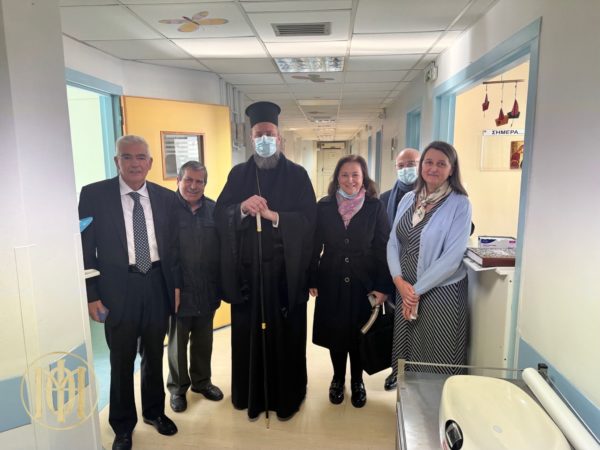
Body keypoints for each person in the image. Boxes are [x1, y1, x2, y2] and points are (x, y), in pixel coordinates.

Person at [214, 101, 317, 421]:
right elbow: (219, 215)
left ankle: (287, 398)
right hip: (249, 276)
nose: (264, 140)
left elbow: (309, 222)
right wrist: (242, 208)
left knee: (286, 337)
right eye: (259, 135)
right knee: (249, 337)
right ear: (250, 138)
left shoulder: (298, 175)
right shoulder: (238, 175)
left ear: (280, 137)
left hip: (285, 275)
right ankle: (251, 396)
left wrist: (275, 216)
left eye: (269, 134)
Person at [79, 135, 178, 450]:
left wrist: (176, 287)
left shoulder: (166, 197)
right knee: (121, 359)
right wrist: (91, 295)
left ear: (150, 162)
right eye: (127, 157)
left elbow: (174, 248)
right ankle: (122, 425)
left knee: (154, 353)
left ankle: (154, 412)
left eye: (140, 157)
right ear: (117, 161)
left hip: (158, 283)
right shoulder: (94, 195)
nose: (134, 163)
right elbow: (85, 251)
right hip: (117, 289)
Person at [309, 155, 391, 408]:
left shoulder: (375, 207)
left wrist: (382, 286)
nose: (350, 180)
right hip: (331, 279)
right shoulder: (324, 206)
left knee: (359, 332)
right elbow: (314, 245)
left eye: (355, 174)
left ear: (363, 178)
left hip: (364, 281)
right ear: (337, 178)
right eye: (344, 174)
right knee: (336, 332)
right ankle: (337, 379)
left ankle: (357, 380)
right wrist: (311, 277)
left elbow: (384, 248)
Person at [387, 141, 472, 382]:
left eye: (441, 164)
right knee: (407, 354)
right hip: (405, 289)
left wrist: (414, 292)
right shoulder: (408, 199)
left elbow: (452, 258)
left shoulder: (460, 204)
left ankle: (437, 404)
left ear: (452, 169)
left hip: (440, 294)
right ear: (421, 165)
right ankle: (409, 403)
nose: (433, 168)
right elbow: (393, 242)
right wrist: (399, 282)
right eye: (429, 162)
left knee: (436, 356)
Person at [167, 161, 223, 414]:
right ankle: (178, 389)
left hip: (207, 289)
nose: (193, 185)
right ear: (178, 180)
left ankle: (202, 382)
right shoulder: (167, 209)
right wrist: (172, 286)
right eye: (188, 179)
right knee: (177, 344)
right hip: (178, 290)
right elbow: (165, 251)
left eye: (199, 181)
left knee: (204, 340)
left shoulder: (213, 210)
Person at [380, 147, 420, 391]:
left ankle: (419, 374)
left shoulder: (440, 196)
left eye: (411, 164)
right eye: (401, 166)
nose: (407, 170)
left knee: (420, 325)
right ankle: (396, 371)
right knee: (397, 326)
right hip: (394, 273)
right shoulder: (386, 198)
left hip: (424, 273)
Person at [380, 148, 420, 225]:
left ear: (422, 165)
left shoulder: (431, 197)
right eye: (400, 166)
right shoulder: (384, 199)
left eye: (411, 164)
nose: (405, 169)